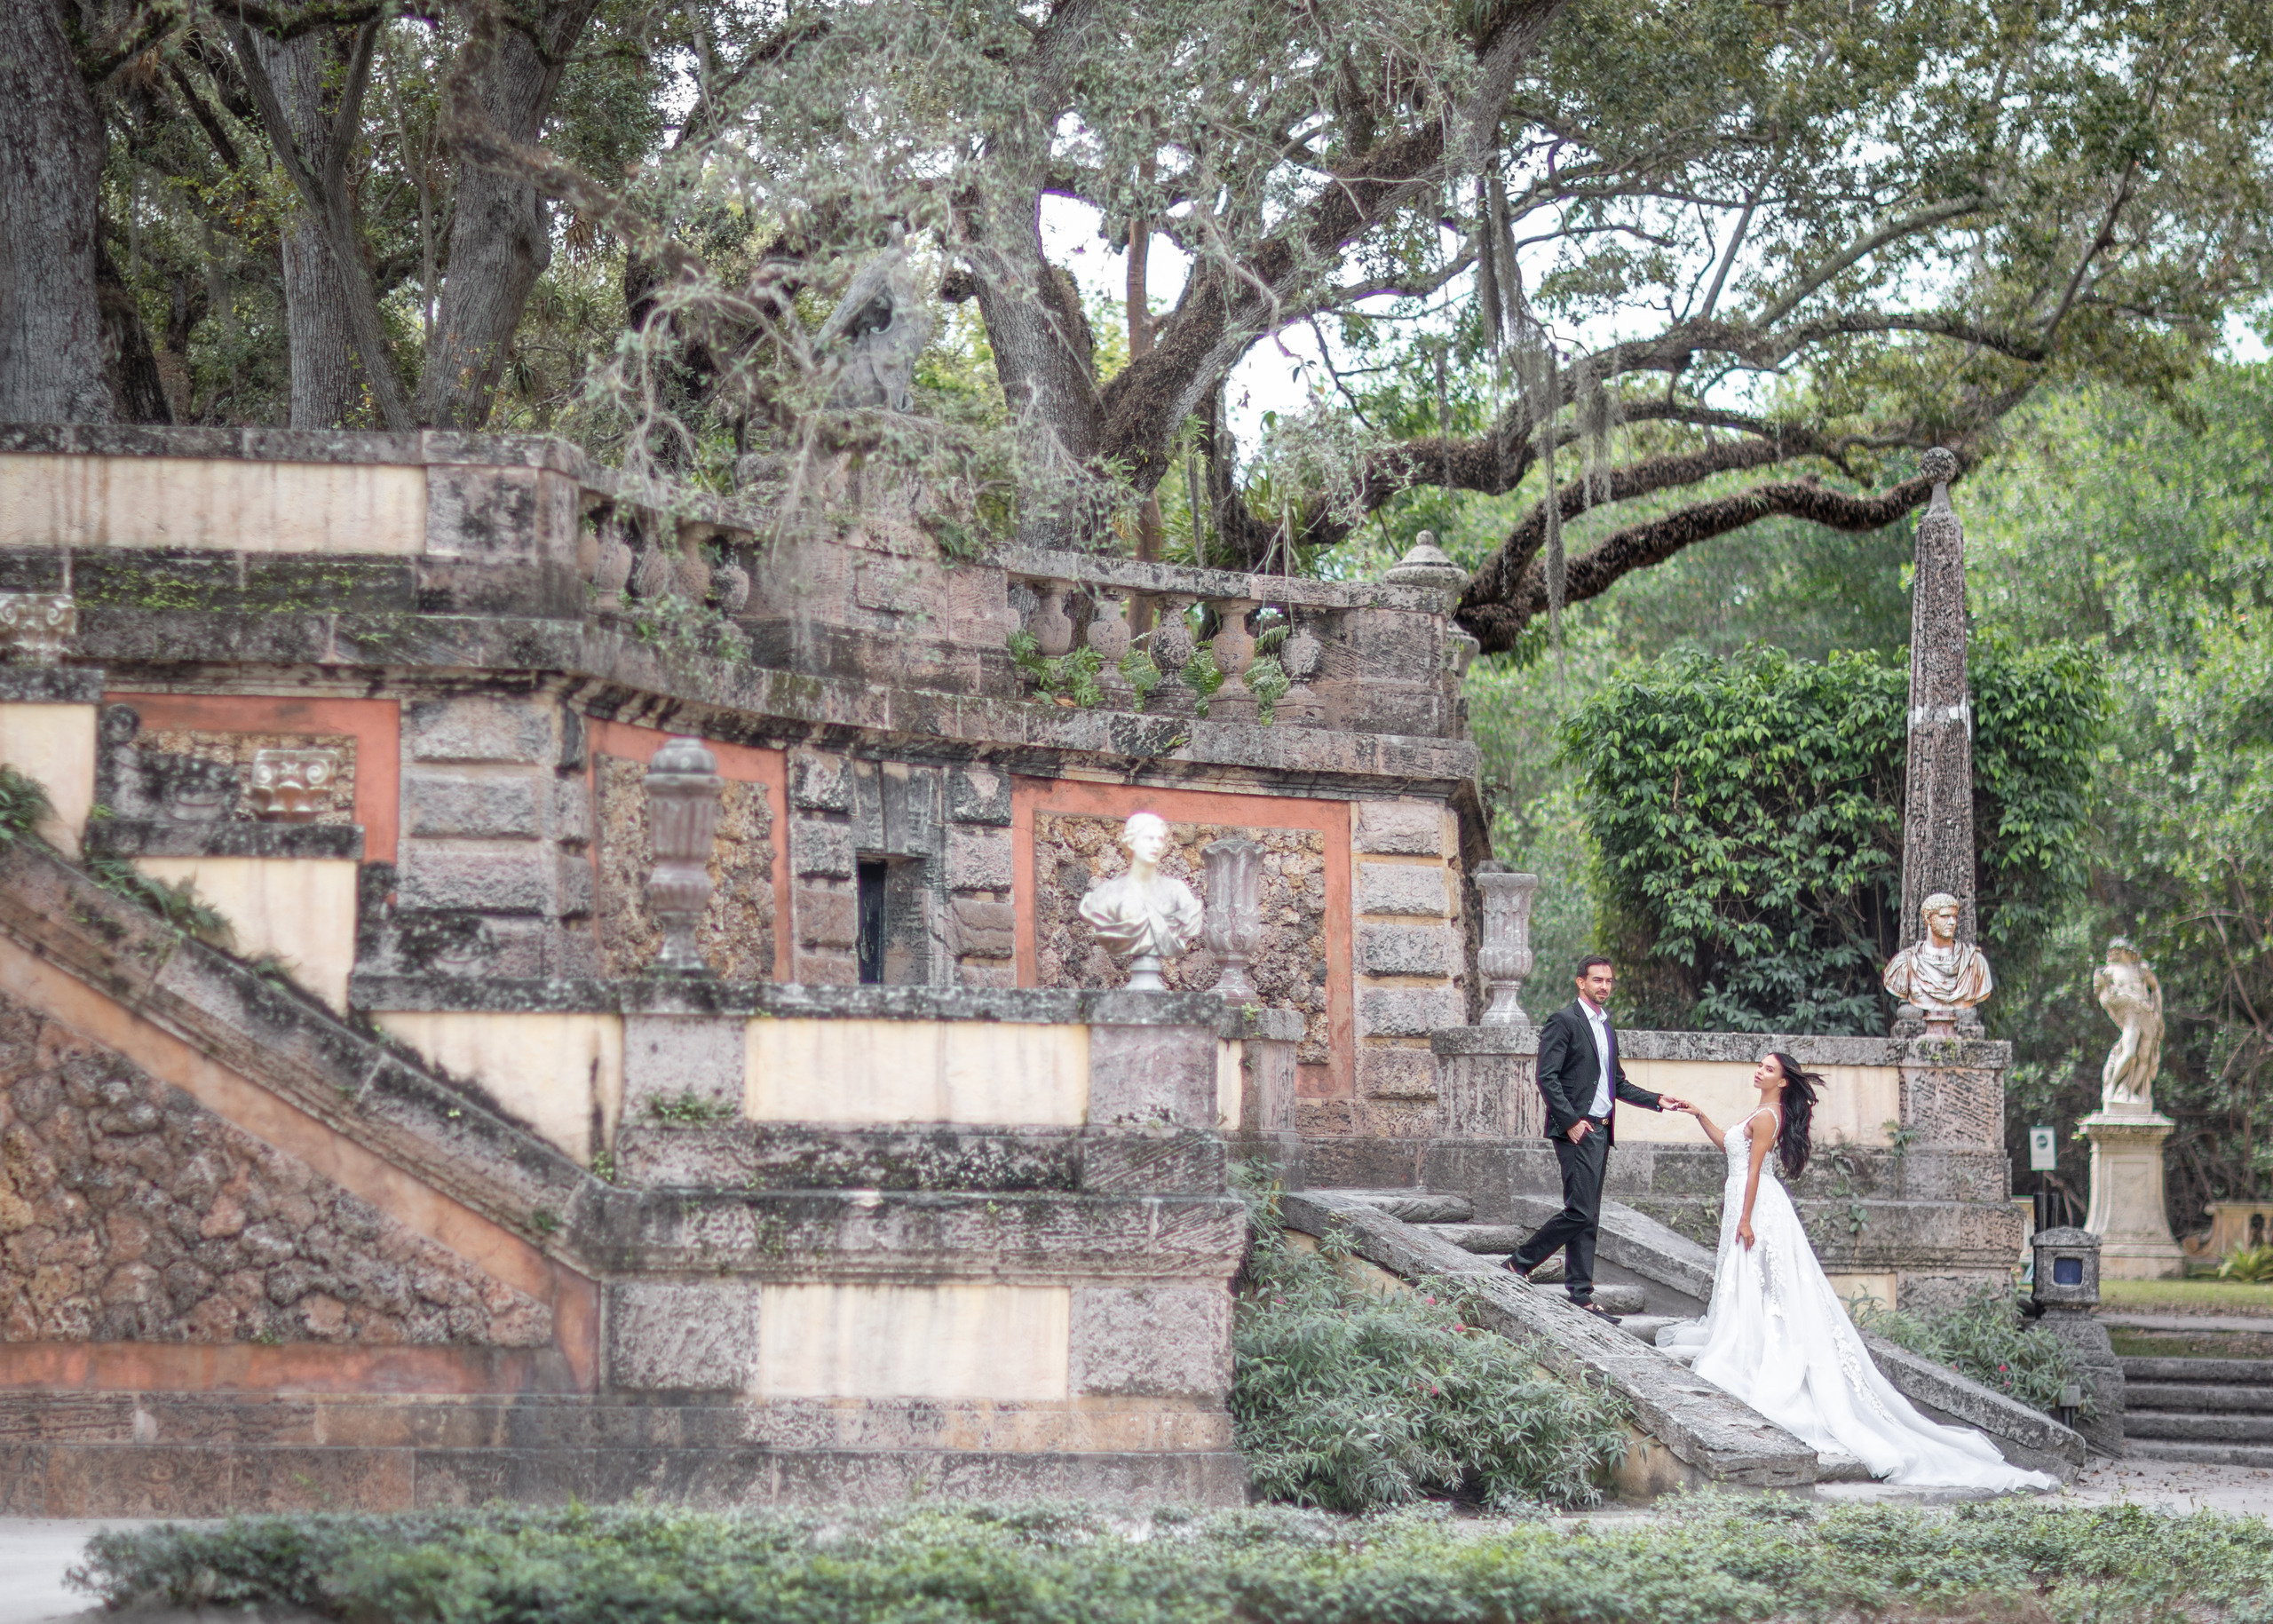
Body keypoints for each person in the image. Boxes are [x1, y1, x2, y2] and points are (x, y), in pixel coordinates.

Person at [1655, 1053, 2055, 1491]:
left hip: (1760, 1209)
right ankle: (1745, 1336)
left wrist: (1745, 1219)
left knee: (1766, 1286)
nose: (1759, 1071)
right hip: (1748, 1200)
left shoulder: (1768, 1117)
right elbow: (1731, 1150)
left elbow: (1753, 1171)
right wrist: (1701, 1116)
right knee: (1748, 1284)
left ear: (1784, 1082)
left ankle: (1762, 1350)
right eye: (1761, 1066)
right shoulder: (1758, 1112)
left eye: (1768, 1069)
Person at [1503, 956, 1687, 1321]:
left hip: (1602, 1130)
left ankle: (1581, 1294)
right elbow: (1547, 1077)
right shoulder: (1564, 1021)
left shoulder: (1607, 1027)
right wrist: (1570, 1121)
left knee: (1589, 1214)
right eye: (1597, 980)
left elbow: (1615, 1083)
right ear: (1580, 983)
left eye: (1609, 981)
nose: (1604, 986)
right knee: (1580, 1211)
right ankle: (1519, 1263)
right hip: (1577, 1129)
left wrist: (1656, 1100)